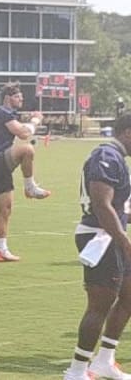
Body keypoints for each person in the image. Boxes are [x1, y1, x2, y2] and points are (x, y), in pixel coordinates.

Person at [63, 113, 131, 380]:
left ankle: (105, 360)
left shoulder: (117, 158)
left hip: (111, 233)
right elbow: (102, 206)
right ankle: (77, 370)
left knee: (128, 296)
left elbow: (116, 208)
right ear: (127, 132)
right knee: (100, 304)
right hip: (99, 237)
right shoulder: (107, 156)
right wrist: (124, 242)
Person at [0, 82, 50, 262]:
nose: (21, 99)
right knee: (27, 149)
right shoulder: (3, 111)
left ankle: (0, 251)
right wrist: (36, 120)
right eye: (17, 96)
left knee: (5, 209)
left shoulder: (3, 114)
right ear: (7, 98)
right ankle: (30, 187)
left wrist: (29, 122)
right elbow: (22, 133)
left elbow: (18, 128)